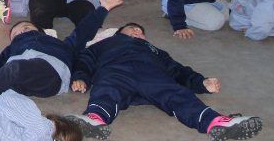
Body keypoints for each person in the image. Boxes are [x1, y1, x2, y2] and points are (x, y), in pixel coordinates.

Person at [67, 22, 263, 140]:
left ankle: (215, 122)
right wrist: (80, 77)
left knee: (175, 92)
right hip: (116, 72)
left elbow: (178, 71)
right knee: (106, 90)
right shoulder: (108, 43)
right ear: (119, 33)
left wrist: (201, 83)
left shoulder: (156, 51)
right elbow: (85, 58)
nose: (136, 32)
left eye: (140, 31)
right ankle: (94, 118)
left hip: (151, 75)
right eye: (130, 29)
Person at [0, 0, 123, 107]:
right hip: (21, 77)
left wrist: (103, 8)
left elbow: (83, 31)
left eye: (27, 28)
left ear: (42, 33)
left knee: (14, 69)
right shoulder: (11, 51)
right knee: (3, 90)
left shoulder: (60, 45)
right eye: (17, 34)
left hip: (50, 73)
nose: (22, 31)